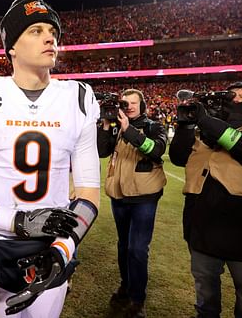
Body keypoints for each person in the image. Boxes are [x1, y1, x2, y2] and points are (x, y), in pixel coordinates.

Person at [0, 0, 100, 318]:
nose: (49, 37)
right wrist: (17, 221)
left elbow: (88, 193)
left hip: (53, 245)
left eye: (52, 30)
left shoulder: (78, 98)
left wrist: (62, 250)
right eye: (35, 30)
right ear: (11, 46)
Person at [169, 82, 242, 318]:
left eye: (239, 97)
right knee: (205, 296)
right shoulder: (205, 135)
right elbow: (178, 157)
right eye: (227, 97)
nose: (231, 101)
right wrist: (185, 125)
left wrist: (206, 122)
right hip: (202, 228)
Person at [97, 89, 167, 317]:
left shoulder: (153, 126)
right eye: (126, 103)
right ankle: (126, 287)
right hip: (119, 194)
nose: (130, 106)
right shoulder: (116, 124)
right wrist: (107, 125)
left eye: (135, 103)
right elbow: (101, 151)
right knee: (123, 245)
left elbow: (156, 151)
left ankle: (138, 299)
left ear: (142, 105)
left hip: (144, 195)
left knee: (137, 248)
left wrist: (128, 130)